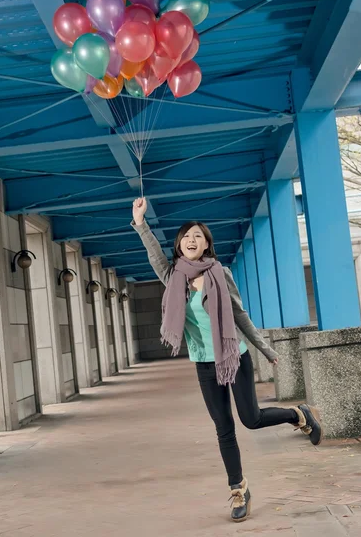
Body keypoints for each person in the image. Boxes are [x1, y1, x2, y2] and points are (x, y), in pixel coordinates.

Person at [131, 197, 323, 523]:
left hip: (235, 357)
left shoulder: (221, 273)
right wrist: (141, 222)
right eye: (187, 236)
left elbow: (240, 315)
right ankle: (238, 488)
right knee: (224, 428)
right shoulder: (172, 276)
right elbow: (153, 253)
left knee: (251, 418)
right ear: (179, 244)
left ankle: (298, 414)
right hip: (204, 363)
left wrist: (266, 349)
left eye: (198, 236)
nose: (192, 240)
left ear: (207, 244)